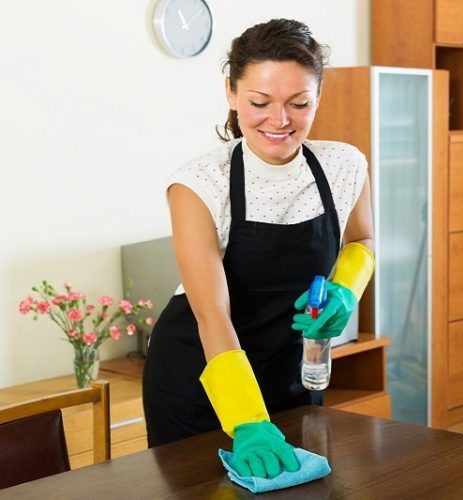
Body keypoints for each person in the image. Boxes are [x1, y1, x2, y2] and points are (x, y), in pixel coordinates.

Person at [142, 18, 375, 478]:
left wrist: (346, 290)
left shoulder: (344, 164)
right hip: (202, 377)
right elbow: (212, 314)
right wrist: (248, 420)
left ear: (317, 97)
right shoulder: (199, 183)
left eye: (299, 103)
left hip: (291, 368)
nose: (280, 120)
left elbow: (362, 240)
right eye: (259, 102)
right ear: (231, 93)